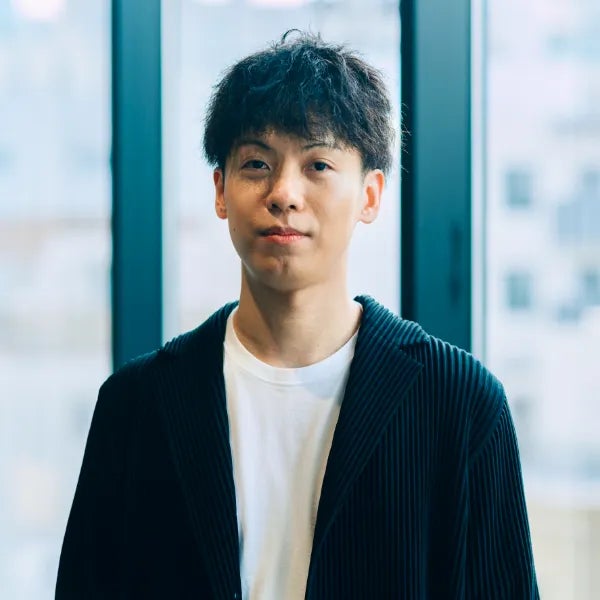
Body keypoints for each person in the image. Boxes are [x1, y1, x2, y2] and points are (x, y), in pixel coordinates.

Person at [56, 31, 539, 599]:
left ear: (370, 195)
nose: (284, 193)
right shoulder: (137, 404)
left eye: (318, 164)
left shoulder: (461, 403)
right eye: (257, 163)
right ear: (220, 190)